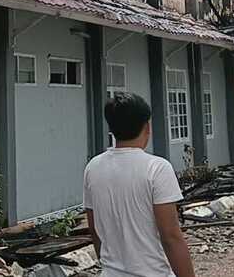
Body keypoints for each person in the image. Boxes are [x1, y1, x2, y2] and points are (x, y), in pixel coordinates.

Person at [83, 93, 194, 277]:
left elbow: (95, 229)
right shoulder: (157, 168)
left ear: (111, 128)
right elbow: (171, 237)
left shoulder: (93, 168)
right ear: (147, 127)